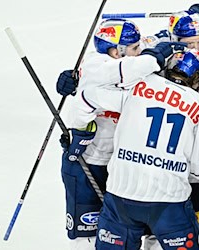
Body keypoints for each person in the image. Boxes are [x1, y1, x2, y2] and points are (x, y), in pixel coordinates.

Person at [65, 46, 199, 250]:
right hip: (169, 201)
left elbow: (87, 97)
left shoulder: (139, 85)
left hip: (121, 196)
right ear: (198, 79)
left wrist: (81, 133)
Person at [58, 18, 155, 250]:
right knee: (86, 235)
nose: (140, 52)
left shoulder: (129, 61)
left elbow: (159, 42)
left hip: (123, 164)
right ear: (115, 51)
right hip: (89, 162)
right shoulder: (96, 65)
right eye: (134, 48)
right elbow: (123, 74)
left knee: (129, 232)